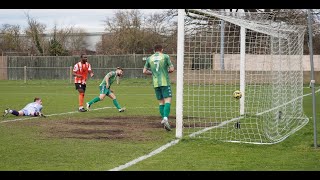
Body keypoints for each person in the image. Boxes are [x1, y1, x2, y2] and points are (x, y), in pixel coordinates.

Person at [143, 44, 174, 131]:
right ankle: (165, 119)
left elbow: (144, 71)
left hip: (156, 83)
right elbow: (171, 69)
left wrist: (152, 73)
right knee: (168, 100)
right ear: (162, 50)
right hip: (164, 82)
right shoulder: (165, 56)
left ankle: (164, 121)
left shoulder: (149, 58)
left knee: (161, 102)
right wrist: (167, 71)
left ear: (154, 50)